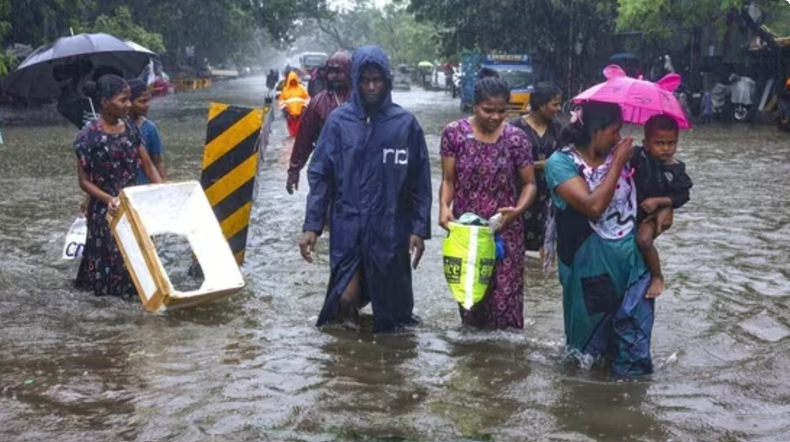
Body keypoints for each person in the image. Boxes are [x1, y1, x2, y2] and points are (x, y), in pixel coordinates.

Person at [299, 45, 432, 333]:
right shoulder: (338, 122)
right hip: (348, 226)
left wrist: (419, 229)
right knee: (344, 302)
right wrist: (312, 225)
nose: (371, 87)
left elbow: (420, 182)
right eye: (365, 80)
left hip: (390, 229)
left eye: (378, 80)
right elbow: (320, 174)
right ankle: (351, 371)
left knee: (393, 319)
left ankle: (384, 371)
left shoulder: (405, 125)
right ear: (355, 80)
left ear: (387, 81)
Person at [544, 101, 654, 377]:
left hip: (632, 266)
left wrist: (664, 213)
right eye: (613, 131)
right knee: (586, 358)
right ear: (594, 130)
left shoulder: (631, 160)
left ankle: (629, 409)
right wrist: (617, 162)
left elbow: (657, 192)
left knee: (635, 351)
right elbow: (593, 206)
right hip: (587, 270)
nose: (619, 138)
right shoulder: (561, 163)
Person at [439, 68, 537, 329]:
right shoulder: (454, 134)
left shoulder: (516, 139)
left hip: (506, 229)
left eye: (502, 111)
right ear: (474, 106)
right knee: (470, 302)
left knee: (505, 303)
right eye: (488, 110)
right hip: (467, 231)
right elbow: (448, 180)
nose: (495, 117)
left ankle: (505, 361)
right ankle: (475, 361)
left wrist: (516, 211)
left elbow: (529, 184)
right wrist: (443, 208)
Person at [74, 75, 162, 297]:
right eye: (123, 100)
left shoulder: (132, 128)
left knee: (141, 258)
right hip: (106, 210)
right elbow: (84, 181)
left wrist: (162, 190)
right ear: (105, 102)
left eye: (129, 99)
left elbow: (149, 165)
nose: (129, 105)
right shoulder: (87, 137)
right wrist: (108, 199)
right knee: (109, 265)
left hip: (133, 204)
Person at [631, 114, 692, 298]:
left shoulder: (676, 169)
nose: (666, 149)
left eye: (671, 143)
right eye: (660, 143)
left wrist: (662, 202)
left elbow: (683, 195)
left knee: (643, 240)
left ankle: (657, 276)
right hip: (632, 211)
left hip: (653, 215)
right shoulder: (637, 156)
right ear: (646, 143)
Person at [287, 50, 352, 194]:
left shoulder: (361, 101)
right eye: (331, 71)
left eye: (339, 71)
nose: (334, 76)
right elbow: (304, 139)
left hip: (354, 171)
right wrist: (294, 170)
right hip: (325, 169)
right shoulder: (317, 103)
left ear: (349, 72)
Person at [509, 82, 563, 256]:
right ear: (541, 105)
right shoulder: (514, 128)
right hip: (521, 196)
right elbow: (505, 164)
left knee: (547, 249)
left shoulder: (557, 130)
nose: (558, 108)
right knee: (517, 248)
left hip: (549, 197)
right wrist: (541, 165)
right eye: (555, 104)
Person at [128, 79, 167, 183]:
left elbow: (157, 161)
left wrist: (164, 185)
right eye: (142, 101)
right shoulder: (115, 128)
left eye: (148, 100)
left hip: (143, 186)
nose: (147, 105)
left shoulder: (149, 128)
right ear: (128, 102)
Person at [279, 70, 310, 137]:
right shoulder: (285, 90)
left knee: (300, 130)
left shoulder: (302, 88)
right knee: (292, 132)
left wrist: (304, 107)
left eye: (294, 80)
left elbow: (307, 98)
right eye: (291, 80)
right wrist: (285, 109)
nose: (293, 81)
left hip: (300, 113)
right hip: (290, 115)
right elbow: (281, 101)